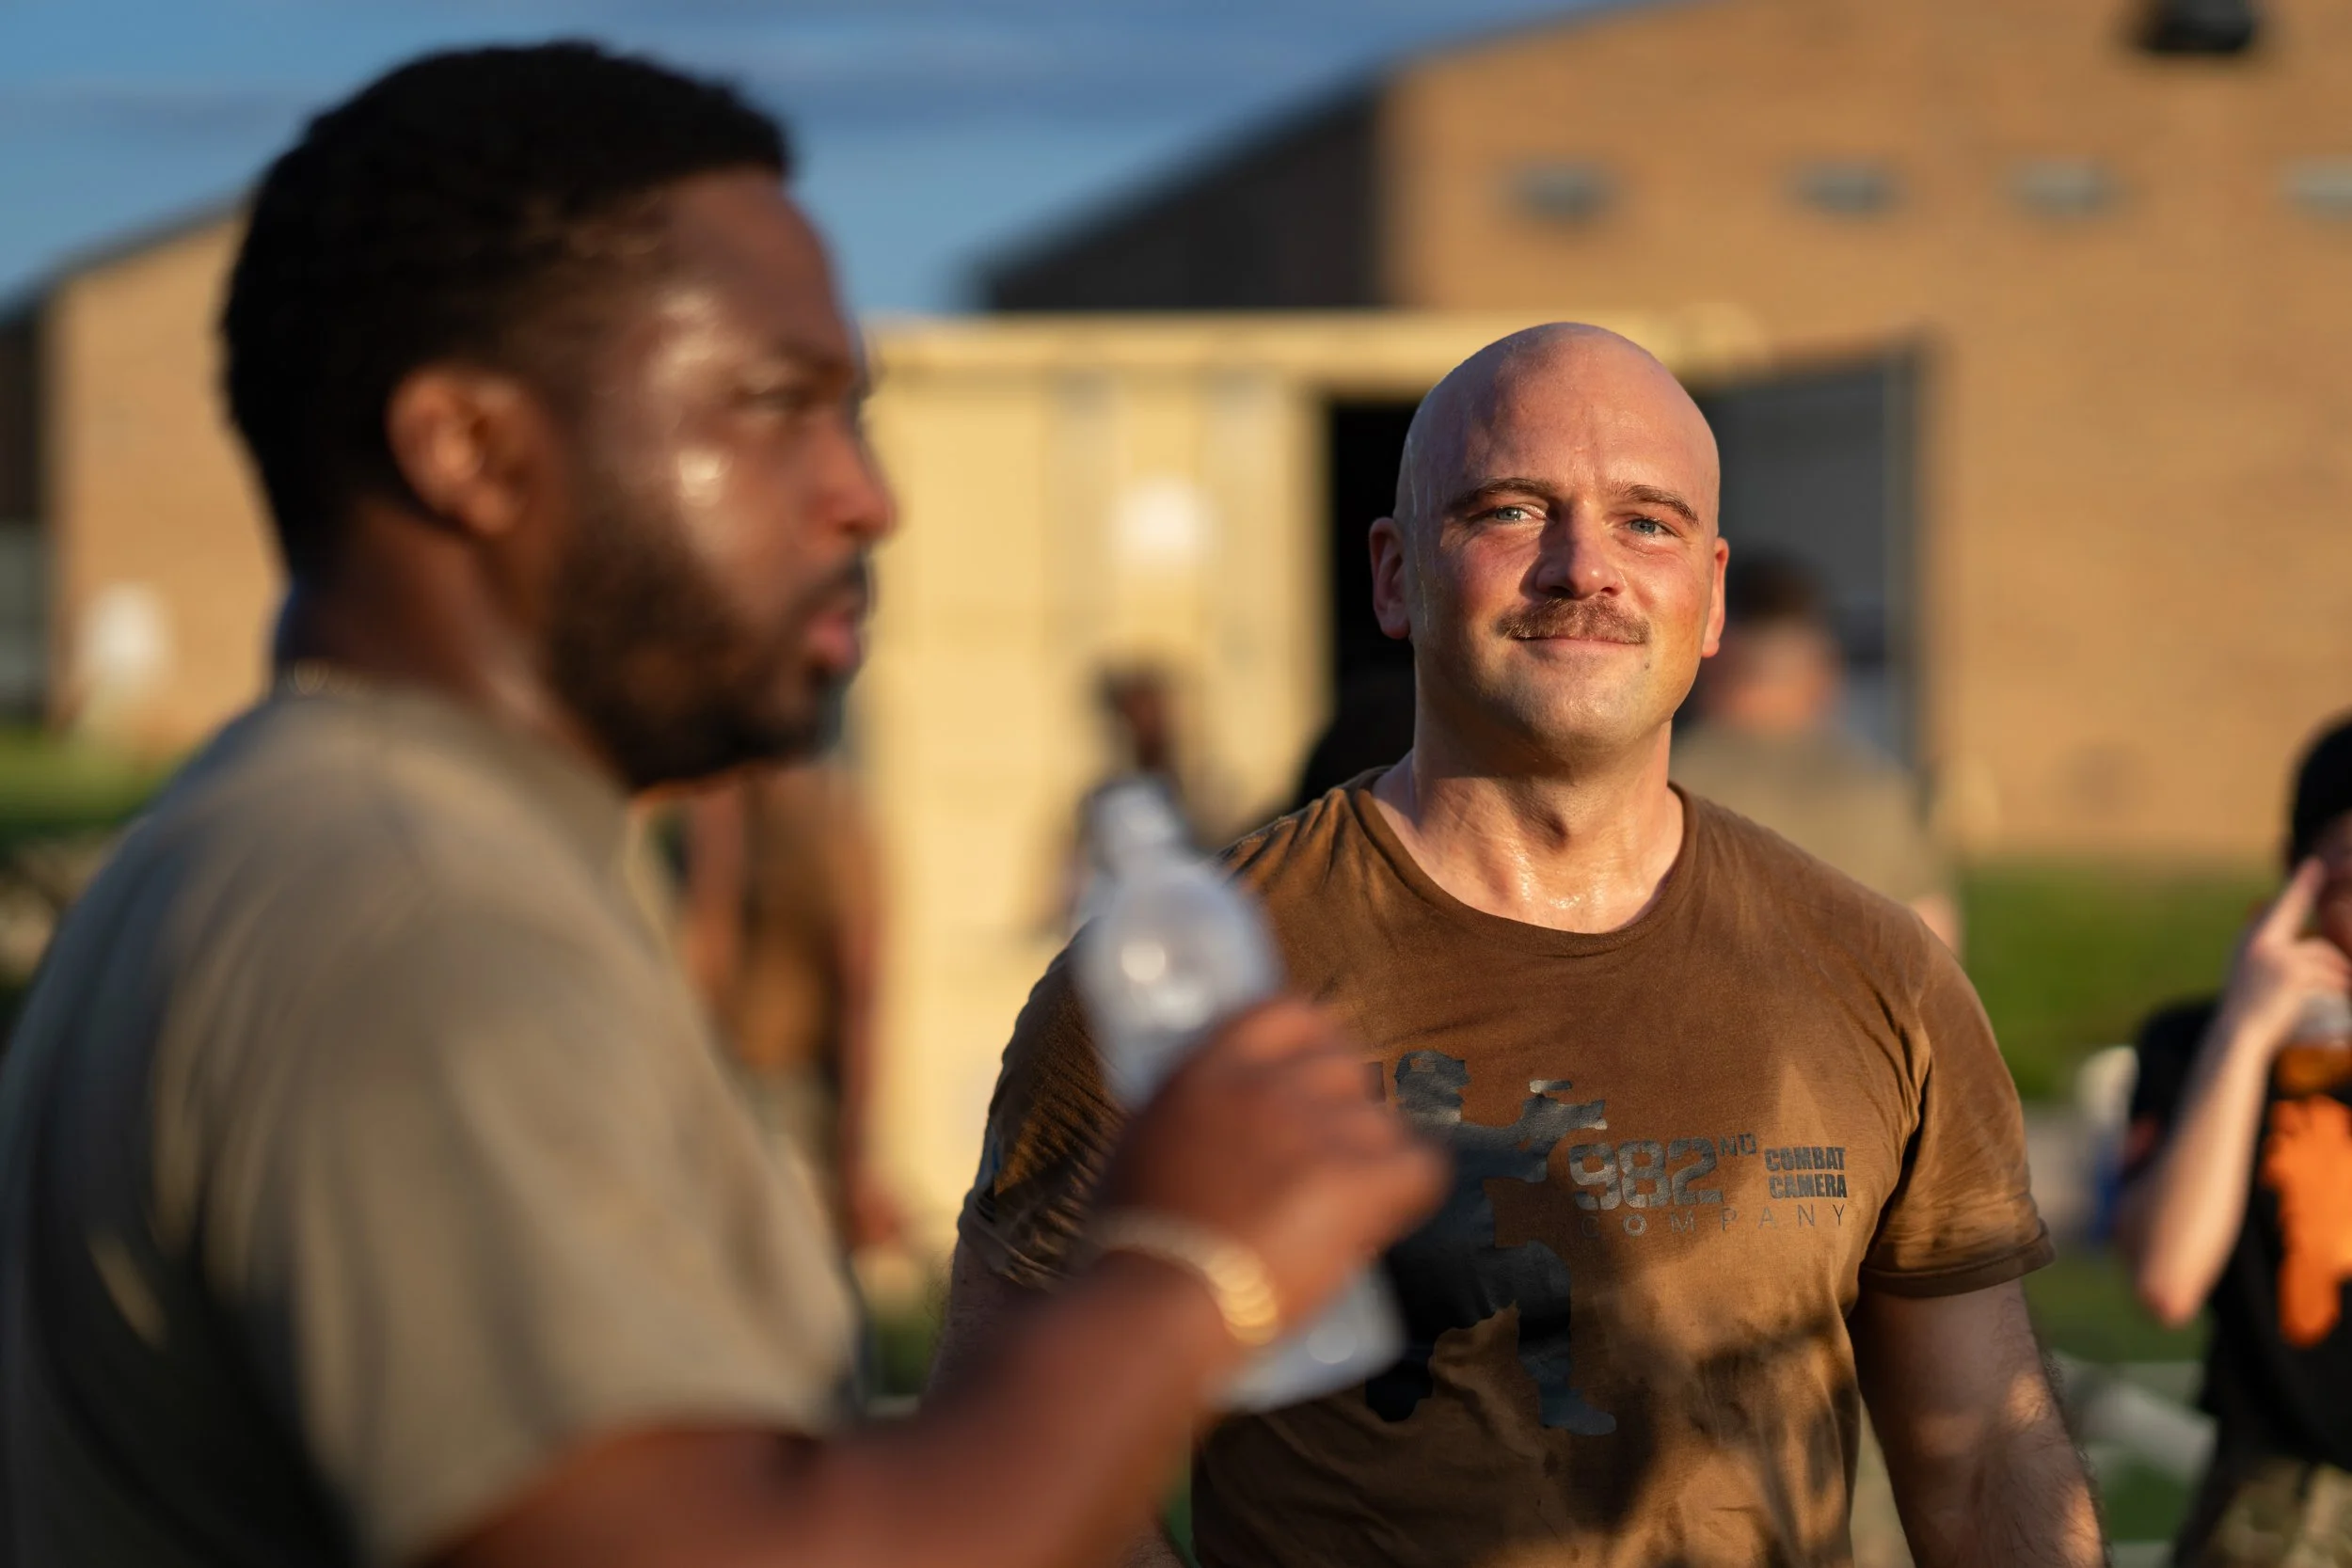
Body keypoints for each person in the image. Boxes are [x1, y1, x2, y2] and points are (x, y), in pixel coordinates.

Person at [0, 44, 1442, 1568]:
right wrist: (1181, 1280)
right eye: (773, 406)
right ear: (472, 450)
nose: (863, 494)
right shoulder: (414, 916)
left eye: (853, 412)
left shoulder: (316, 837)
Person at [942, 324, 2104, 1568]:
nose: (1583, 567)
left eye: (1646, 523)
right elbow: (998, 1439)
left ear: (1710, 598)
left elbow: (1984, 1459)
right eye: (1511, 509)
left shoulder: (1881, 975)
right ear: (1395, 575)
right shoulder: (1189, 982)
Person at [2118, 716, 2352, 1567]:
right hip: (2285, 1504)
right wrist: (2247, 1037)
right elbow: (2168, 1279)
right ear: (2302, 874)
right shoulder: (2203, 1044)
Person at [1670, 551, 1961, 953]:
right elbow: (1935, 966)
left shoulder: (1659, 784)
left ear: (1709, 655)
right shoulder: (1883, 792)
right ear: (1824, 670)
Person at [676, 752, 898, 1251]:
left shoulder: (823, 824)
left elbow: (859, 993)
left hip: (778, 1096)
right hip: (732, 1095)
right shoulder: (725, 810)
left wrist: (854, 1155)